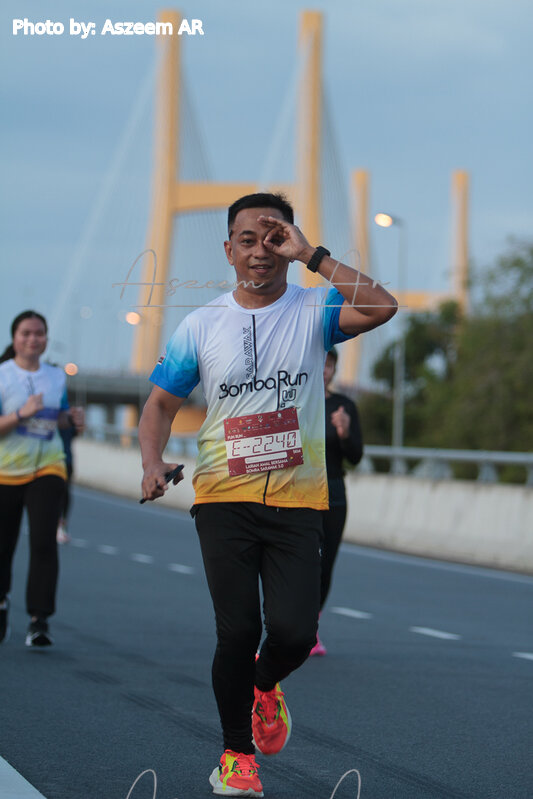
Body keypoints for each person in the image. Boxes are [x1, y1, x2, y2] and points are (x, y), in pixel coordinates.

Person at [138, 192, 397, 797]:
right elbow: (160, 405)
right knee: (236, 631)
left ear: (289, 242)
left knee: (295, 634)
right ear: (228, 250)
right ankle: (236, 756)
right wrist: (151, 462)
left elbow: (382, 306)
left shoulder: (314, 308)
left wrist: (313, 256)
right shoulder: (201, 324)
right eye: (247, 240)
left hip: (298, 500)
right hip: (223, 497)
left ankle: (263, 683)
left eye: (274, 237)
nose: (261, 250)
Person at [0, 311, 84, 647]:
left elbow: (57, 419)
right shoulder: (2, 375)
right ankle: (1, 601)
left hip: (48, 468)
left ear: (46, 338)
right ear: (14, 337)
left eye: (39, 333)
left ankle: (39, 620)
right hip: (6, 471)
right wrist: (21, 414)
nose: (33, 339)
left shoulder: (55, 376)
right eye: (26, 333)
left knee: (44, 542)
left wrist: (71, 418)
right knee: (3, 546)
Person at [310, 346, 363, 657]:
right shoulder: (295, 400)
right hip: (298, 491)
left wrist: (344, 432)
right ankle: (288, 624)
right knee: (297, 560)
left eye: (329, 365)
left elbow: (356, 456)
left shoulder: (344, 406)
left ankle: (311, 628)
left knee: (325, 563)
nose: (324, 370)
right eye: (320, 363)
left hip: (333, 492)